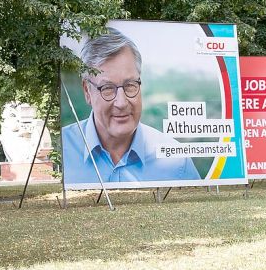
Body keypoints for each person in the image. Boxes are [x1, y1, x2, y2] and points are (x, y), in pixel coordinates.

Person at [62, 29, 200, 184]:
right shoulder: (62, 149)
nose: (121, 103)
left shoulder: (177, 161)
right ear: (87, 91)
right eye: (107, 88)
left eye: (130, 85)